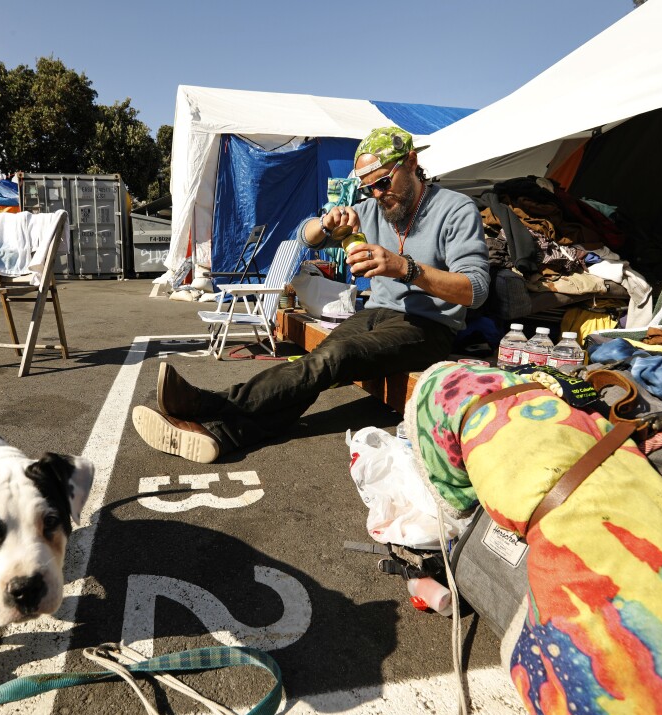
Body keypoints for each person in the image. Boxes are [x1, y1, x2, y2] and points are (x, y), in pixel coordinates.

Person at [130, 126, 490, 463]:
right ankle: (225, 434)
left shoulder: (455, 209)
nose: (378, 195)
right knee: (316, 364)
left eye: (383, 182)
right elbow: (304, 235)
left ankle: (206, 404)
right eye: (369, 189)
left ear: (411, 162)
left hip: (429, 326)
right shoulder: (374, 209)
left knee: (335, 356)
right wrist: (327, 222)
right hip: (376, 313)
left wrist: (406, 268)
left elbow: (475, 290)